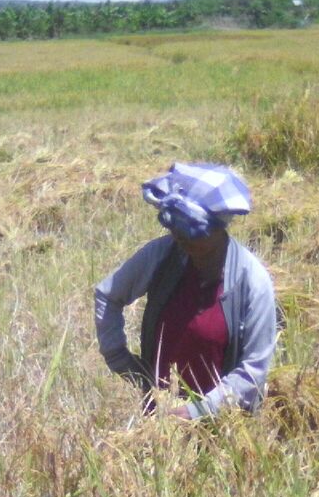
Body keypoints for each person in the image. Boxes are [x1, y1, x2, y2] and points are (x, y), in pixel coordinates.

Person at [95, 162, 277, 419]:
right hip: (160, 418)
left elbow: (254, 370)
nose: (180, 237)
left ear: (218, 229)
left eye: (192, 232)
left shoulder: (252, 281)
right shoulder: (164, 254)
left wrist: (197, 411)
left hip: (224, 424)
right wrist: (120, 359)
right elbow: (108, 294)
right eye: (175, 229)